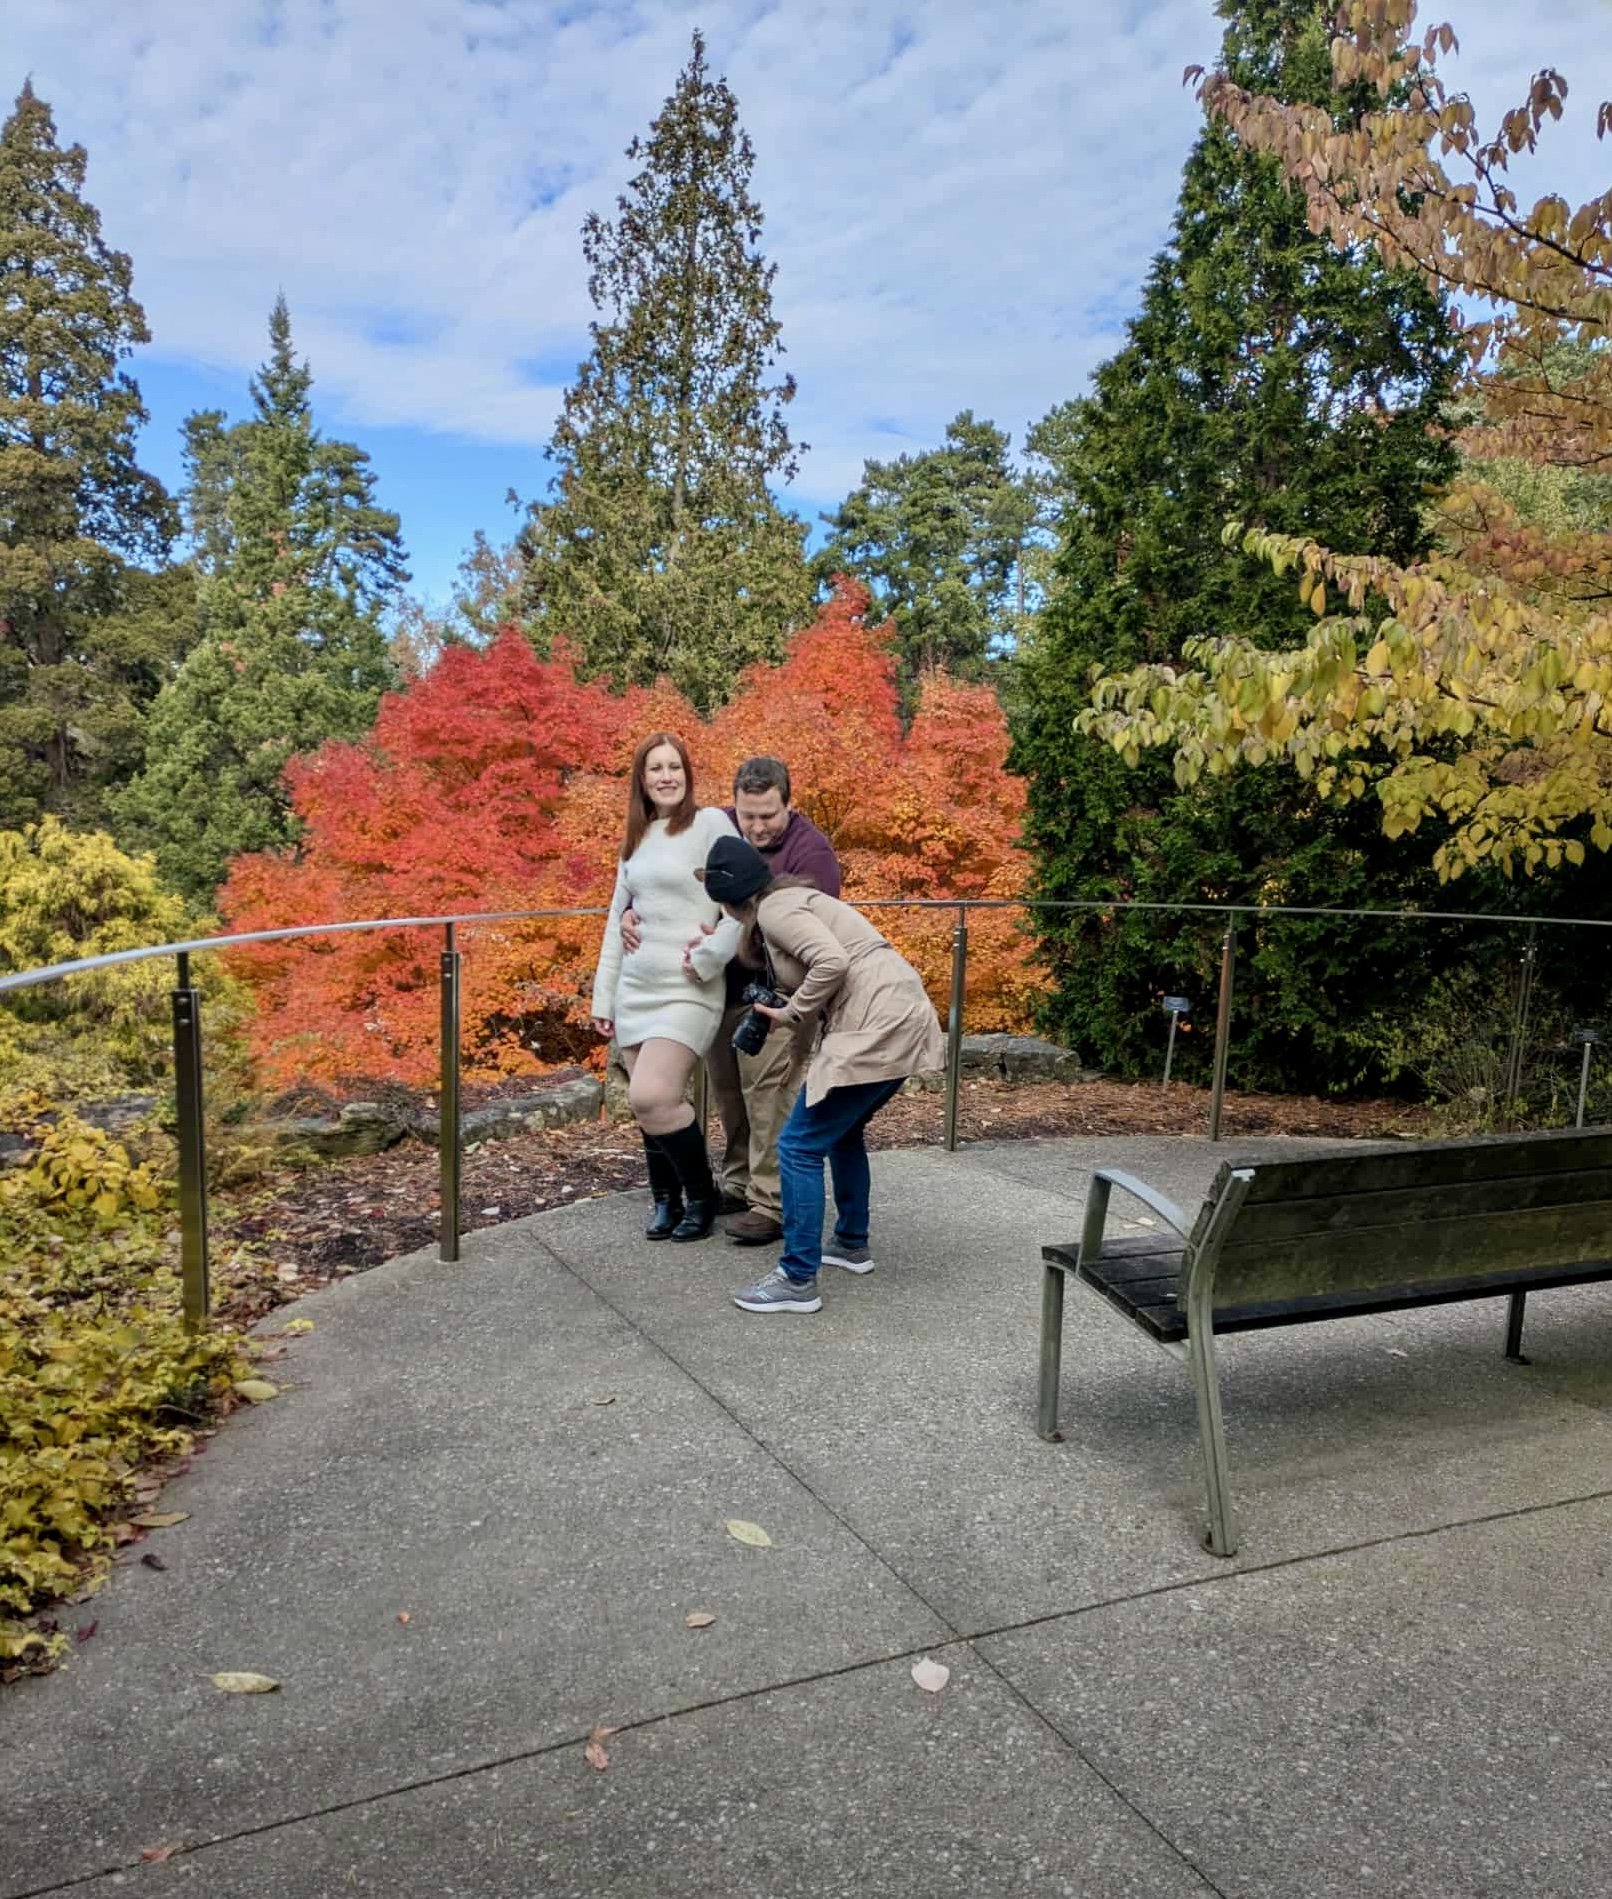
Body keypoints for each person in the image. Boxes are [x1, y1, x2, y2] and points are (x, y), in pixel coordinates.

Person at [700, 834, 944, 1315]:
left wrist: (790, 1013)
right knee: (841, 1132)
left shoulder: (773, 911)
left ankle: (796, 1277)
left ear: (730, 901)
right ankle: (851, 1243)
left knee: (798, 1146)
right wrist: (797, 1055)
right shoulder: (795, 900)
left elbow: (832, 963)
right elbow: (818, 983)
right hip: (898, 1010)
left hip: (876, 1021)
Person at [620, 756, 842, 1247]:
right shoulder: (718, 828)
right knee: (730, 1097)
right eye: (749, 816)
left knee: (769, 1098)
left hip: (779, 996)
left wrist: (735, 933)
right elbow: (670, 882)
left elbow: (813, 937)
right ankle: (739, 1184)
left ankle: (772, 1203)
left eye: (768, 815)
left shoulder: (813, 855)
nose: (757, 827)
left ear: (789, 803)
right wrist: (632, 915)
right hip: (721, 990)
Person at [591, 735, 741, 1242]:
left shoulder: (711, 824)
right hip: (637, 988)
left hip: (688, 987)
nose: (665, 776)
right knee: (645, 1103)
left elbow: (742, 907)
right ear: (641, 778)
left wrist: (707, 957)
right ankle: (666, 1199)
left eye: (674, 766)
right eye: (655, 768)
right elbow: (617, 921)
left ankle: (702, 1197)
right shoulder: (635, 837)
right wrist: (603, 996)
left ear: (687, 773)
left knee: (654, 1094)